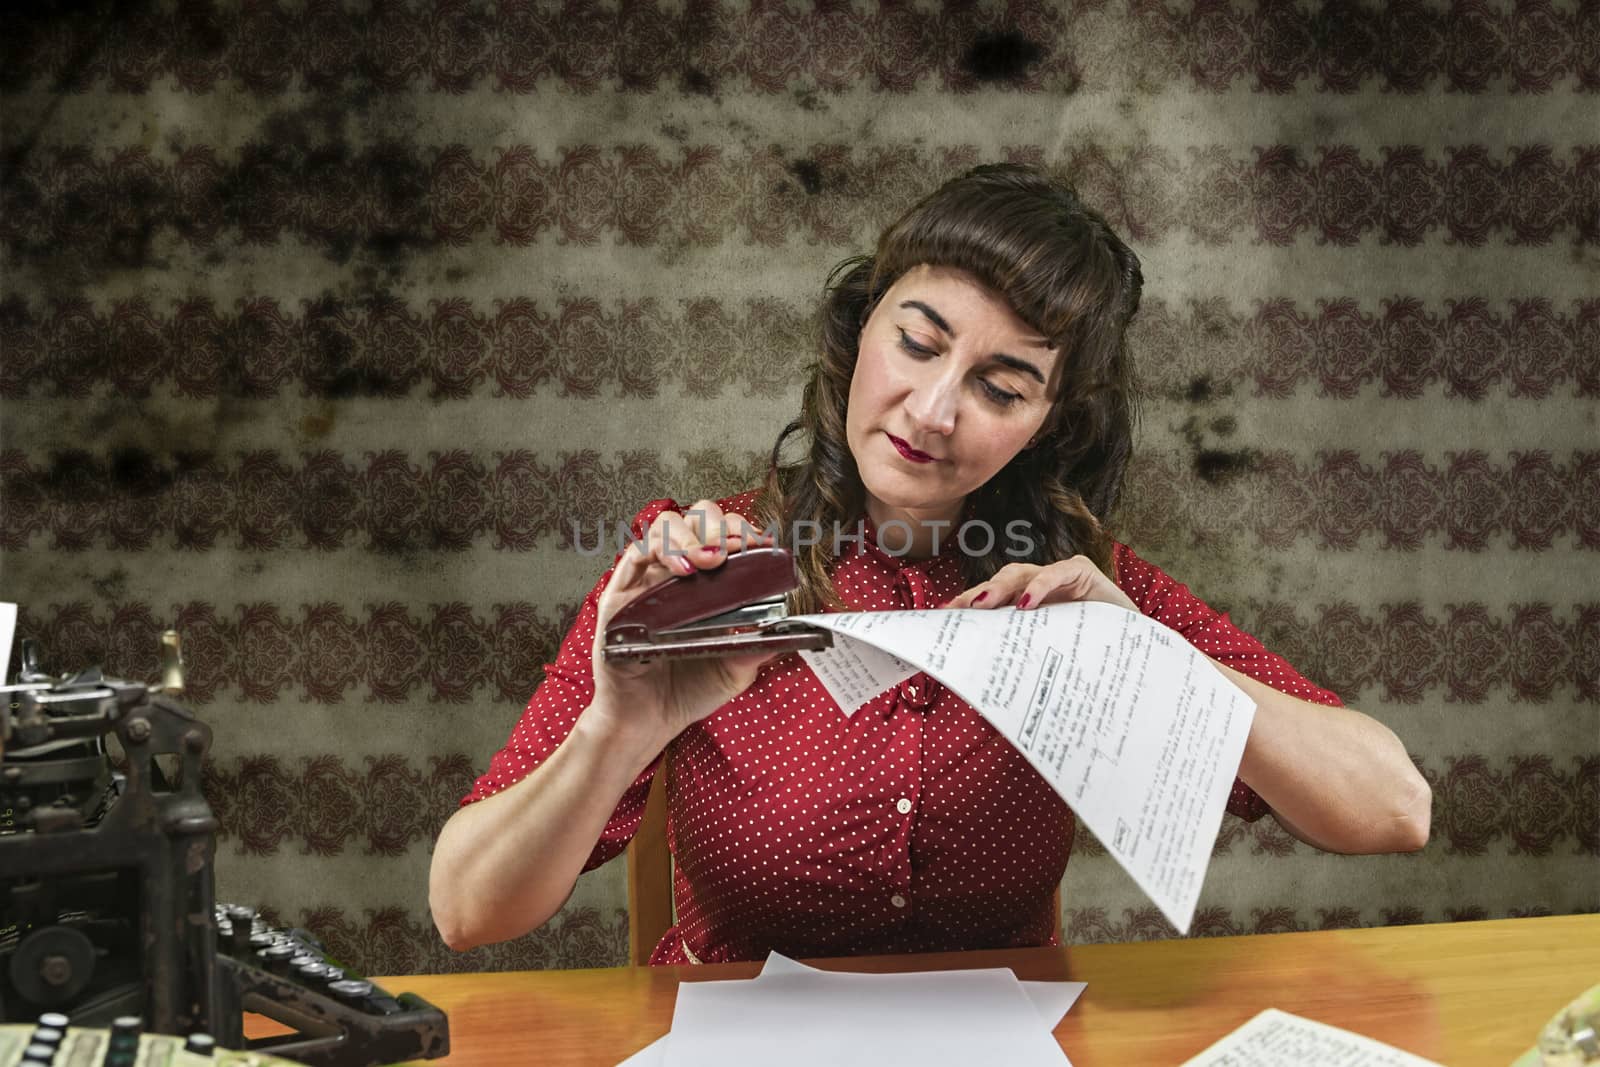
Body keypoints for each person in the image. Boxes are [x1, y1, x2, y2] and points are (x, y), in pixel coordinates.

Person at [429, 164, 1431, 963]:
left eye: (1001, 388)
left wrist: (1147, 650)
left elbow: (1394, 808)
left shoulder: (1073, 588)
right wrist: (617, 727)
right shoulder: (710, 565)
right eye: (917, 342)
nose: (933, 409)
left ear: (1047, 424)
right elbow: (468, 908)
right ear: (859, 329)